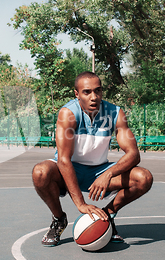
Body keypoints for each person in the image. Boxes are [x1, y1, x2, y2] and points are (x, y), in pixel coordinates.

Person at [32, 71, 153, 246]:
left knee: (144, 178)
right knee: (40, 172)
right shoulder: (68, 113)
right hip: (68, 170)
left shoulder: (115, 113)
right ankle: (59, 219)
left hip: (98, 171)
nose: (94, 97)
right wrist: (81, 204)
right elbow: (64, 160)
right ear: (77, 94)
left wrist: (108, 174)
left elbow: (134, 154)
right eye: (87, 92)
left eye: (98, 91)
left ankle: (107, 216)